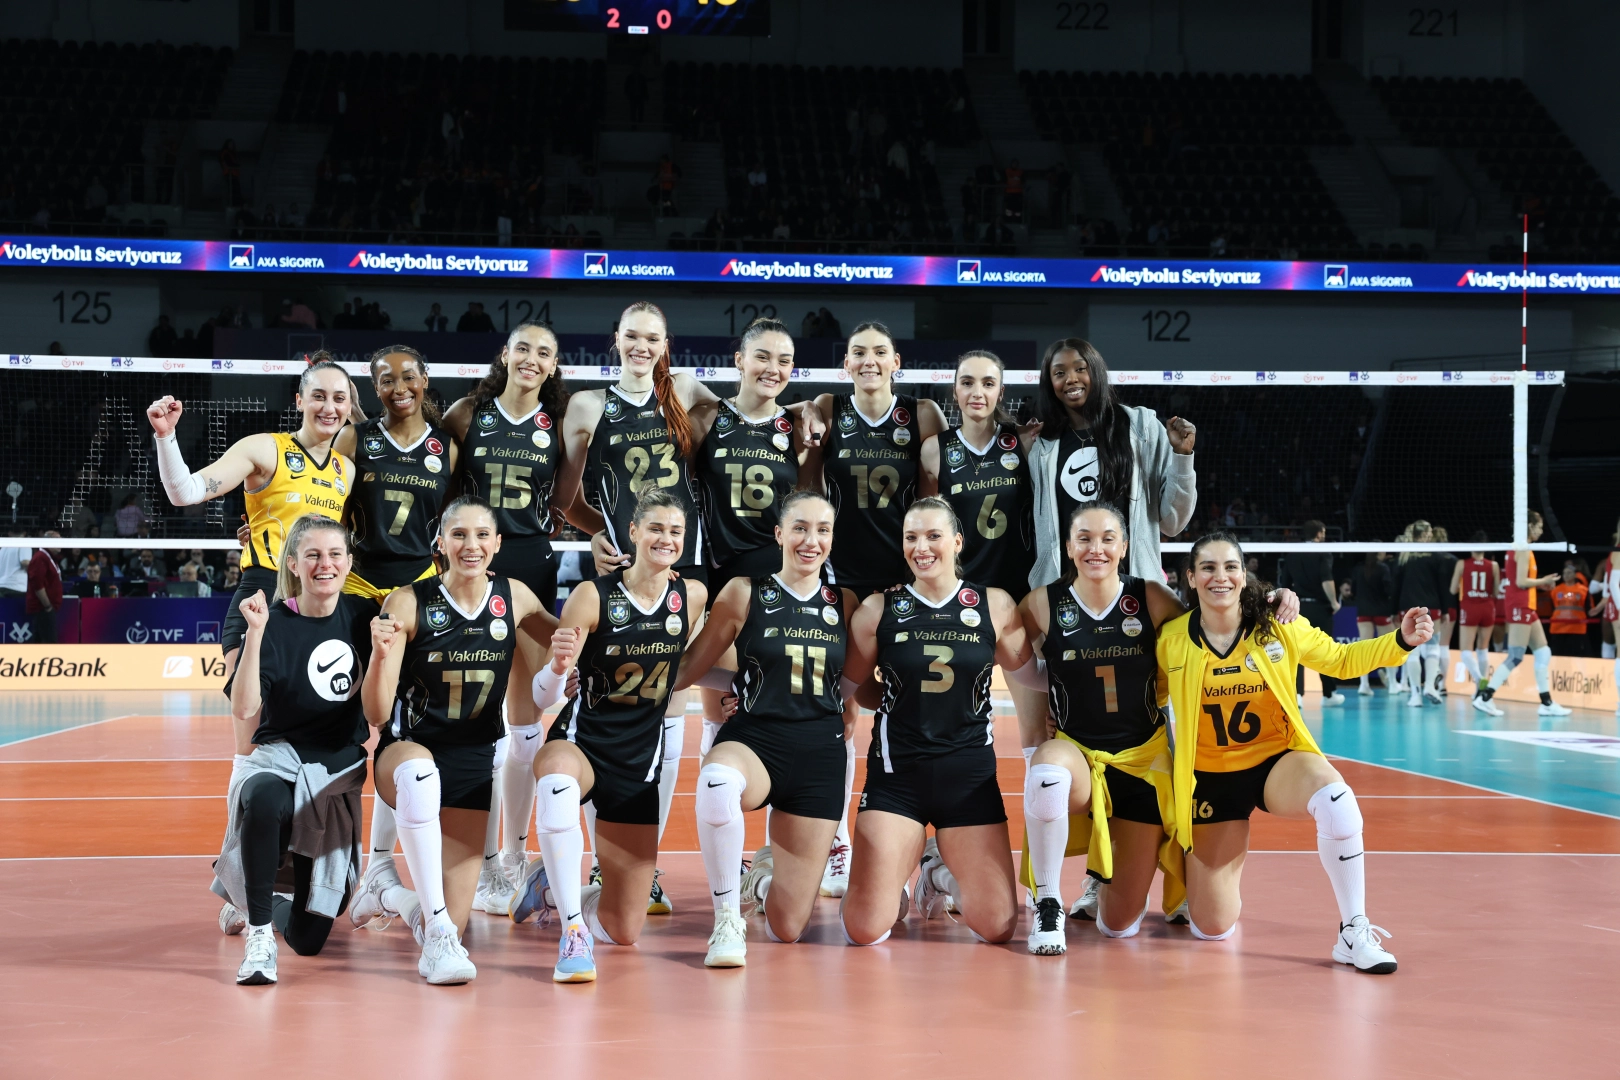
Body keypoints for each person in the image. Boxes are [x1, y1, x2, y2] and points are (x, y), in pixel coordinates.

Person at [554, 301, 763, 915]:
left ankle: (646, 862)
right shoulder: (588, 406)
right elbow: (565, 497)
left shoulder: (686, 390)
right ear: (616, 340)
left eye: (653, 338)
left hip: (688, 568)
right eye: (633, 337)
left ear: (666, 344)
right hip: (628, 573)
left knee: (674, 699)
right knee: (620, 705)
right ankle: (605, 861)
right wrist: (599, 532)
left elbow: (742, 428)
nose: (642, 347)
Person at [1157, 532, 1429, 973]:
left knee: (1337, 800)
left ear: (1244, 575)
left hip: (1276, 764)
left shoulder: (1276, 625)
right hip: (1209, 779)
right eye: (1207, 567)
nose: (1220, 576)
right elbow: (1144, 698)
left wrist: (1399, 641)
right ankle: (1211, 876)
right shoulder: (1171, 639)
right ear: (1190, 577)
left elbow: (1340, 660)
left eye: (1230, 567)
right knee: (1212, 926)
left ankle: (1353, 930)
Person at [357, 497, 558, 985]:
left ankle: (384, 893)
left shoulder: (515, 597)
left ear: (498, 543)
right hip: (407, 752)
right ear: (441, 543)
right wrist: (380, 657)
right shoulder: (408, 601)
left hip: (472, 763)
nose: (472, 545)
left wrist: (645, 581)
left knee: (450, 916)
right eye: (460, 535)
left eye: (482, 535)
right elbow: (377, 715)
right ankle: (436, 939)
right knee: (420, 774)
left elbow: (575, 638)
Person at [514, 489, 705, 983]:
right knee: (557, 779)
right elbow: (542, 694)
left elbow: (699, 663)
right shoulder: (592, 595)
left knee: (624, 929)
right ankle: (572, 932)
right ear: (634, 532)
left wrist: (737, 693)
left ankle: (550, 889)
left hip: (640, 761)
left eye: (676, 531)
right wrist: (558, 668)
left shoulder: (693, 596)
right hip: (583, 743)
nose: (666, 538)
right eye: (656, 528)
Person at [671, 490, 860, 966]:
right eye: (799, 528)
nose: (810, 540)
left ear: (833, 538)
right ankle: (726, 919)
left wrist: (854, 704)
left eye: (822, 530)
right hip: (756, 741)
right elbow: (691, 669)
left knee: (787, 928)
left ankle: (762, 880)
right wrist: (608, 672)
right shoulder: (744, 591)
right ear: (778, 534)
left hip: (819, 756)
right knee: (717, 783)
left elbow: (852, 681)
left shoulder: (845, 602)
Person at [797, 321, 948, 898]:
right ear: (845, 363)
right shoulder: (828, 408)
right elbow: (808, 486)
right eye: (858, 352)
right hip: (841, 580)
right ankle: (837, 842)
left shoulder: (922, 414)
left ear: (896, 361)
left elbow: (935, 498)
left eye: (879, 352)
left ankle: (932, 845)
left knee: (923, 702)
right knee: (841, 707)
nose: (868, 360)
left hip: (905, 579)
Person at [840, 497, 1032, 947]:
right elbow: (850, 687)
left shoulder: (994, 605)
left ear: (957, 542)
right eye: (911, 537)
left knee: (998, 926)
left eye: (933, 536)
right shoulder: (878, 610)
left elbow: (1035, 677)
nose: (921, 547)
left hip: (968, 782)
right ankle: (894, 884)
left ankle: (936, 873)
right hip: (897, 780)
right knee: (864, 928)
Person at [444, 322, 571, 916]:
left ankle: (513, 858)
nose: (532, 359)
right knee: (473, 721)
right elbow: (432, 483)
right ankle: (478, 858)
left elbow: (568, 501)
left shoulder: (559, 423)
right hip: (471, 568)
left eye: (544, 353)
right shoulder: (467, 414)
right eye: (523, 348)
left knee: (524, 726)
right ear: (505, 353)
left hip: (531, 569)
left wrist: (606, 537)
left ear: (553, 365)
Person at [211, 515, 372, 985]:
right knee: (263, 798)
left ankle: (261, 904)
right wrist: (254, 634)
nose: (325, 564)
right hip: (279, 761)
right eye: (313, 555)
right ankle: (259, 935)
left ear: (348, 563)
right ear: (294, 565)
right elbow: (245, 708)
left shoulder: (365, 617)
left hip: (333, 775)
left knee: (309, 939)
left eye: (335, 554)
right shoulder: (274, 622)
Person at [148, 357, 358, 696]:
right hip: (264, 592)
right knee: (248, 710)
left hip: (321, 602)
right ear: (299, 401)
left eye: (339, 398)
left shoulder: (346, 470)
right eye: (318, 396)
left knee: (314, 712)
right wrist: (166, 436)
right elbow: (184, 492)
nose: (329, 407)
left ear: (349, 406)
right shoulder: (265, 449)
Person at [1026, 338, 1196, 589]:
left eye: (1080, 369)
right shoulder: (1041, 446)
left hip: (1133, 592)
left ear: (1096, 371)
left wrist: (1182, 456)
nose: (1071, 379)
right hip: (1064, 593)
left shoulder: (1142, 429)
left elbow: (1173, 523)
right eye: (1059, 373)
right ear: (1050, 383)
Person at [338, 346, 457, 603]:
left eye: (409, 377)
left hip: (419, 582)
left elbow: (451, 518)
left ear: (424, 380)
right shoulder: (351, 438)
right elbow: (335, 515)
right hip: (358, 581)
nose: (400, 389)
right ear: (376, 388)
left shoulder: (448, 448)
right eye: (388, 381)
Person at [1473, 511, 1571, 717]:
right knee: (1516, 656)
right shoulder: (1523, 549)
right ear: (1530, 526)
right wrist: (1544, 581)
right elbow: (1520, 582)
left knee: (1543, 652)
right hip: (1520, 606)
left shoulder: (1520, 547)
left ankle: (1546, 703)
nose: (1541, 531)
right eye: (1539, 526)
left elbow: (1522, 580)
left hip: (1526, 605)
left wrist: (1541, 585)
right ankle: (1485, 697)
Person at [1279, 520, 1343, 707]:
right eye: (1323, 533)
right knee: (1326, 649)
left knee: (1295, 651)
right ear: (1319, 533)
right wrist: (1334, 602)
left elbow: (1284, 583)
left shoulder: (1292, 553)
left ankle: (1297, 695)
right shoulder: (1323, 551)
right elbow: (1326, 579)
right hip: (1320, 608)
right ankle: (1329, 695)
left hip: (1298, 609)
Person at [1392, 520, 1445, 708]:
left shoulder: (1404, 557)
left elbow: (1395, 586)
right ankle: (1429, 686)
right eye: (1429, 532)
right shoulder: (1435, 557)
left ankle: (1415, 694)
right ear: (1423, 535)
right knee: (1433, 647)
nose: (1431, 535)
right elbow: (1442, 586)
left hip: (1408, 609)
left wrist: (1393, 610)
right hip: (1432, 608)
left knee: (1412, 651)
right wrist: (1446, 609)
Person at [1451, 535, 1500, 691]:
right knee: (1483, 649)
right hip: (1487, 608)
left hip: (1470, 607)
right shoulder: (1494, 565)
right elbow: (1496, 592)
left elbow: (1452, 589)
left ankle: (1479, 679)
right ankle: (1481, 691)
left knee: (1466, 651)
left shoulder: (1462, 564)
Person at [1347, 551, 1398, 696]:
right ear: (1378, 553)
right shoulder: (1383, 568)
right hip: (1381, 611)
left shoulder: (1358, 569)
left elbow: (1353, 590)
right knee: (1389, 647)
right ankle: (1393, 684)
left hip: (1363, 611)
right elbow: (1389, 590)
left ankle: (1364, 684)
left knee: (1364, 649)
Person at [26, 531, 62, 644]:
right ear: (48, 541)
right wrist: (48, 606)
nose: (61, 543)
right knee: (49, 642)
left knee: (40, 642)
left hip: (46, 609)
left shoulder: (50, 558)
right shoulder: (40, 557)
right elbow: (38, 585)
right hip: (43, 609)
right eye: (57, 540)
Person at [1548, 563, 1590, 657]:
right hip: (1558, 628)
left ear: (1575, 575)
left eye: (1569, 573)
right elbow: (1553, 607)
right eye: (1564, 573)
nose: (1566, 575)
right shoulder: (1555, 590)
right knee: (1557, 655)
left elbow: (1588, 608)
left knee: (1574, 656)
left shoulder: (1583, 590)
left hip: (1577, 628)